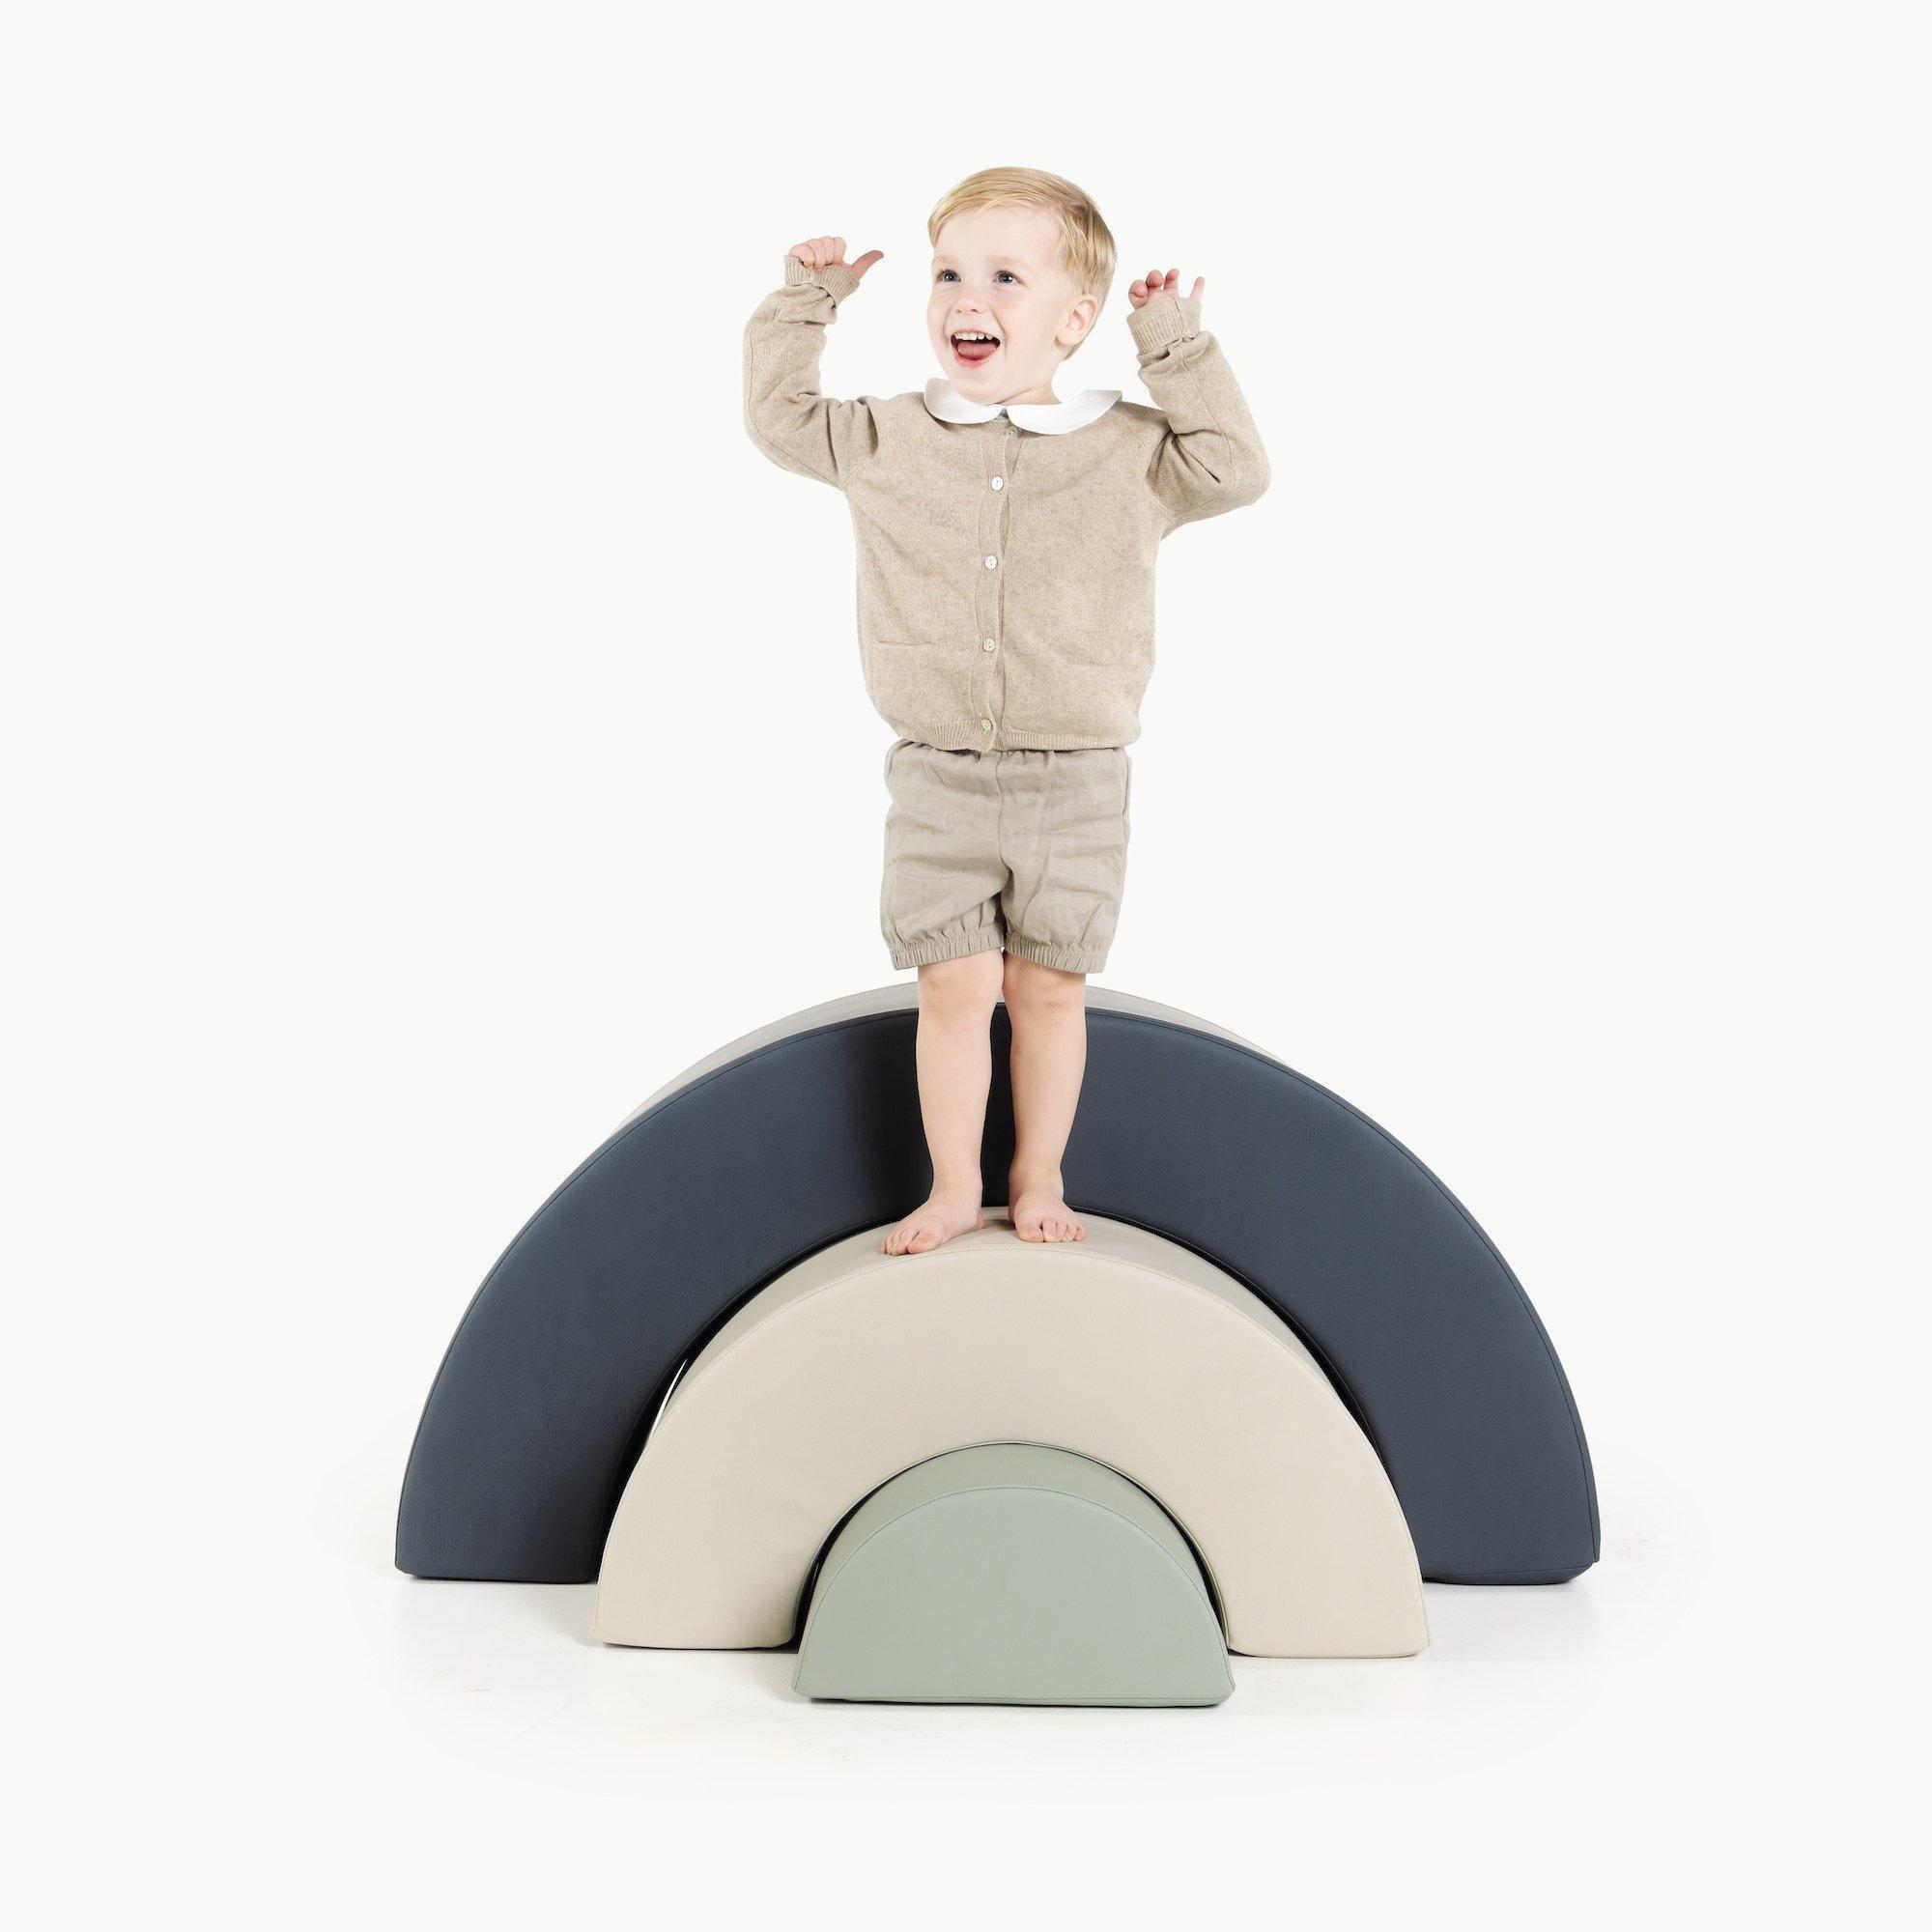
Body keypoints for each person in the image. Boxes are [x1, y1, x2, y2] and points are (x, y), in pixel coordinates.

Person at [744, 166, 1268, 1254]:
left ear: (1075, 320)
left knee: (1047, 988)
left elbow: (1235, 468)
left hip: (1077, 776)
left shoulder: (1130, 450)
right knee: (953, 982)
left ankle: (1037, 1175)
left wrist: (1171, 345)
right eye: (947, 275)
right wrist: (806, 301)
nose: (965, 299)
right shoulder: (886, 437)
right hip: (936, 772)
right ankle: (949, 1187)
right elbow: (777, 416)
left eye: (1003, 278)